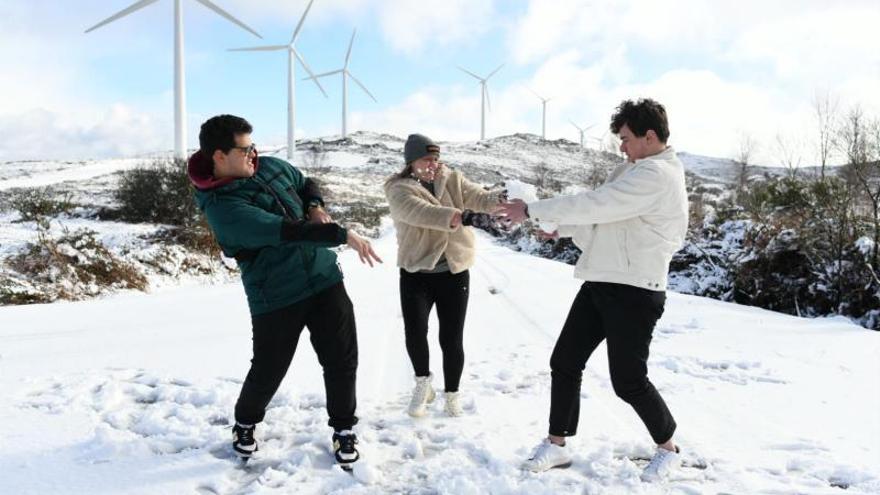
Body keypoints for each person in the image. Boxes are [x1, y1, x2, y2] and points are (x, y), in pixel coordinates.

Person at [496, 99, 689, 482]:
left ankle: (669, 449)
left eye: (625, 138)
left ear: (649, 136)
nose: (621, 146)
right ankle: (557, 444)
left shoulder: (658, 175)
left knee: (628, 380)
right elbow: (602, 220)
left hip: (635, 290)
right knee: (565, 361)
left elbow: (597, 203)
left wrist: (534, 210)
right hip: (601, 280)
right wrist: (557, 227)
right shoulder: (632, 169)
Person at [187, 114, 381, 468]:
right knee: (269, 368)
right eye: (245, 149)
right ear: (218, 156)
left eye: (254, 146)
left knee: (341, 359)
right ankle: (245, 422)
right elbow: (287, 230)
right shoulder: (222, 207)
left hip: (324, 279)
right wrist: (342, 234)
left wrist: (315, 206)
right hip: (276, 296)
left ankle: (343, 429)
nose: (253, 155)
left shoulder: (270, 166)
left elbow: (307, 183)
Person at [384, 133, 505, 417]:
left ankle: (452, 393)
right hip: (416, 271)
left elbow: (478, 197)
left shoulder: (453, 178)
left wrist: (502, 198)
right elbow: (422, 212)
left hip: (453, 271)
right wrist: (464, 217)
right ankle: (423, 383)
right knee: (415, 332)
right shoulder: (398, 188)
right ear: (411, 161)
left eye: (436, 159)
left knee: (451, 338)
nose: (432, 164)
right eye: (426, 159)